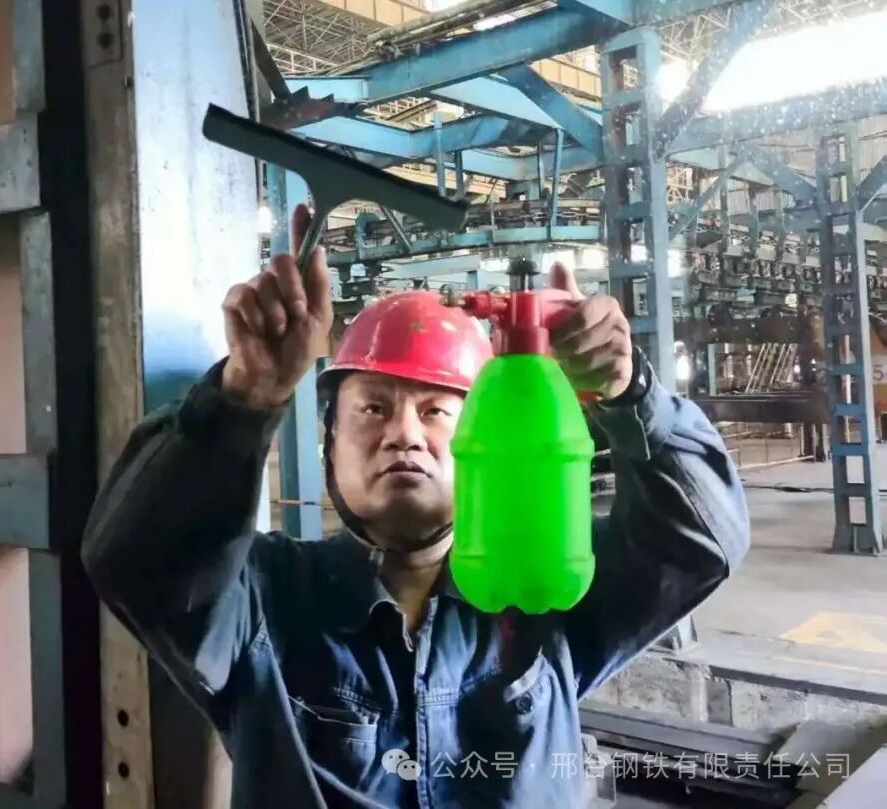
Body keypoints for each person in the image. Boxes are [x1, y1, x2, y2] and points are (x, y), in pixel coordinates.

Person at [82, 206, 750, 809]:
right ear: (329, 446)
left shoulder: (544, 597)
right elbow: (135, 558)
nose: (404, 434)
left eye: (435, 412)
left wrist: (632, 394)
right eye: (373, 408)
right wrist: (241, 399)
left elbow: (701, 540)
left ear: (485, 442)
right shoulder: (264, 602)